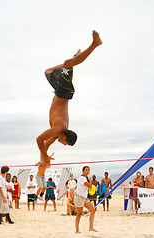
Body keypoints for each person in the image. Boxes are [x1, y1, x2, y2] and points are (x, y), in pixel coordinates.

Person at [36, 30, 102, 167]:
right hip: (63, 92)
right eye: (66, 143)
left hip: (60, 92)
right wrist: (46, 157)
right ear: (65, 137)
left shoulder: (56, 134)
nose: (63, 144)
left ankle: (74, 57)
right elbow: (38, 140)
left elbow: (45, 145)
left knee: (48, 71)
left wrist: (43, 161)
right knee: (67, 63)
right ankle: (94, 44)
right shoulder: (58, 128)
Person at [74, 166, 97, 233]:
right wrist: (90, 180)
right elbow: (90, 186)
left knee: (92, 210)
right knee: (79, 214)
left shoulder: (85, 178)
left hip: (84, 198)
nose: (87, 171)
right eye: (86, 170)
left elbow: (90, 187)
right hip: (79, 198)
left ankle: (91, 227)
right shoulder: (82, 178)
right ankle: (77, 230)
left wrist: (89, 180)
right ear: (83, 171)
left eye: (88, 170)